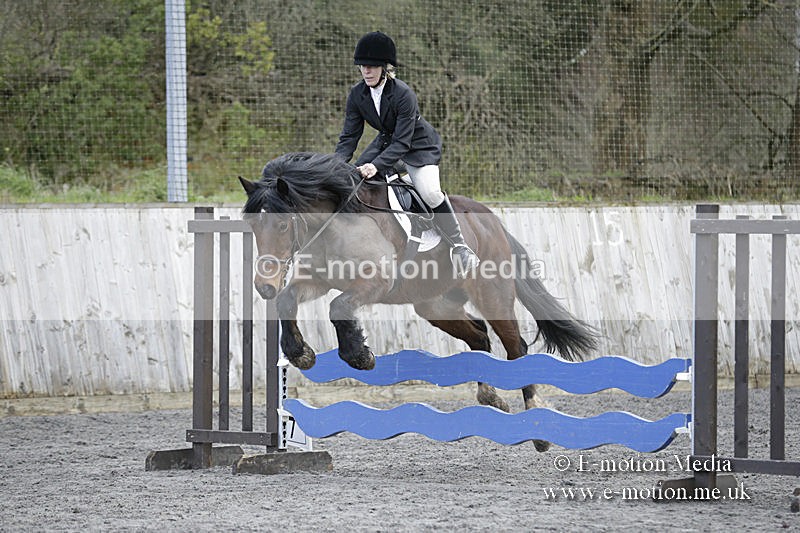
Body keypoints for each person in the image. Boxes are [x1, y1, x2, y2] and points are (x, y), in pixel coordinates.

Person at [334, 31, 480, 277]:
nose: (366, 72)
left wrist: (376, 166)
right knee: (355, 181)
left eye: (371, 67)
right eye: (362, 67)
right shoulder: (357, 94)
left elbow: (402, 143)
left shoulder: (403, 94)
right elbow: (349, 136)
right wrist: (334, 165)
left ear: (384, 67)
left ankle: (460, 246)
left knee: (430, 193)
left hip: (418, 147)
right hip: (387, 143)